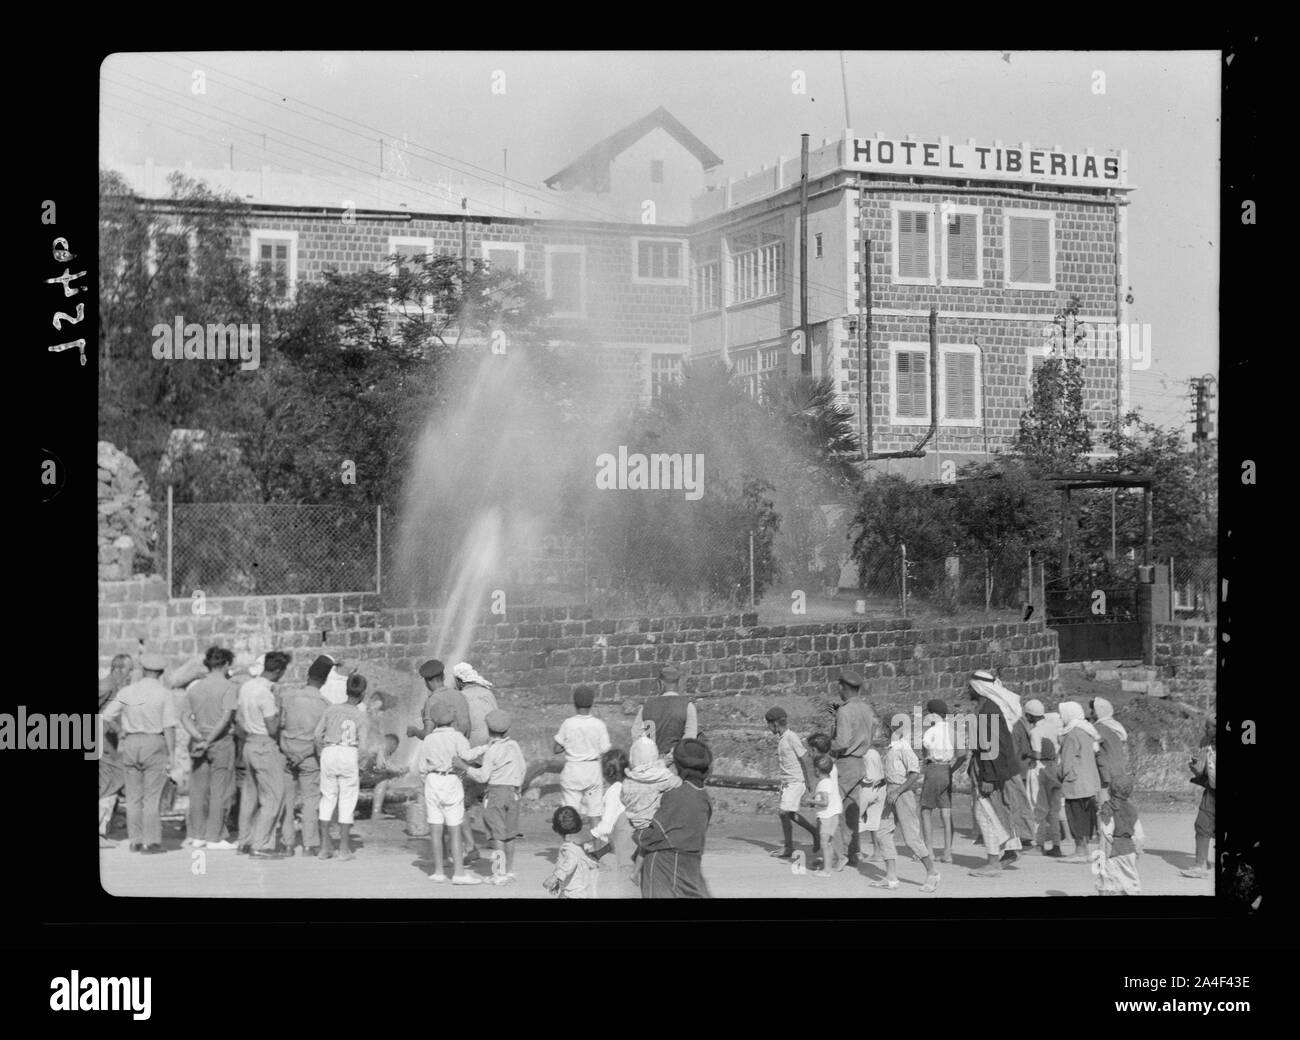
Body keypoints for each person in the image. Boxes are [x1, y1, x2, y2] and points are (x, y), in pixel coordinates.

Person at [101, 653, 176, 854]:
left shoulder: (128, 691)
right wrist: (172, 755)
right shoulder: (164, 694)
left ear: (142, 670)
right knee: (151, 796)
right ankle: (151, 842)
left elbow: (107, 715)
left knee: (133, 796)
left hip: (131, 742)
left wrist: (120, 731)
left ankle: (135, 840)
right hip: (154, 742)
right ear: (160, 673)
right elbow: (169, 727)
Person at [407, 659, 476, 860]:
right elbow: (467, 726)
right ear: (443, 677)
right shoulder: (460, 696)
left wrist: (414, 731)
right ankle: (467, 846)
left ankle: (449, 854)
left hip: (441, 760)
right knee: (457, 803)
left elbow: (428, 735)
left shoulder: (432, 702)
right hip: (461, 754)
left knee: (440, 808)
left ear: (427, 682)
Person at [965, 670, 1026, 876]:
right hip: (991, 768)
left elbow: (993, 747)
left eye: (969, 686)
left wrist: (989, 777)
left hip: (989, 770)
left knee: (986, 815)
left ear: (977, 688)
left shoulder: (987, 711)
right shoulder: (988, 708)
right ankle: (1010, 850)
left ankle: (993, 862)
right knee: (999, 811)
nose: (967, 690)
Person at [178, 647, 240, 851]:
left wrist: (198, 737)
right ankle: (215, 836)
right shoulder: (229, 687)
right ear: (226, 664)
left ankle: (197, 835)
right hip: (220, 741)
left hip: (198, 739)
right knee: (220, 791)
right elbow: (225, 717)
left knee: (198, 790)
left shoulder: (194, 688)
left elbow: (185, 717)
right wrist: (210, 739)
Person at [636, 738, 714, 898]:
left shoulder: (676, 794)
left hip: (665, 865)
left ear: (678, 766)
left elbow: (653, 834)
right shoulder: (704, 797)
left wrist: (637, 833)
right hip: (691, 864)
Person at [455, 708, 525, 886]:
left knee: (497, 836)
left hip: (495, 794)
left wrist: (464, 766)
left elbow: (483, 776)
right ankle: (508, 871)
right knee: (510, 835)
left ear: (488, 729)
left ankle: (498, 873)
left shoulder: (492, 751)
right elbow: (522, 768)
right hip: (513, 793)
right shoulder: (514, 745)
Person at [872, 716, 941, 892]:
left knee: (911, 837)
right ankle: (891, 877)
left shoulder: (903, 748)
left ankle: (932, 872)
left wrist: (897, 791)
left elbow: (914, 774)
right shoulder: (890, 749)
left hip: (903, 795)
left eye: (882, 727)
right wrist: (882, 784)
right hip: (890, 794)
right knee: (882, 831)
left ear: (889, 729)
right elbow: (893, 773)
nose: (880, 731)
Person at [415, 702, 480, 885]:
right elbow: (467, 756)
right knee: (454, 828)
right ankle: (459, 873)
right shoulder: (457, 737)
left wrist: (427, 782)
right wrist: (483, 750)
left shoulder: (428, 739)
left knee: (435, 829)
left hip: (432, 780)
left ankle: (438, 871)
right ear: (451, 718)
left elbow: (421, 767)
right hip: (451, 779)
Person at [237, 650, 291, 860]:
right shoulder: (266, 694)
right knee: (273, 796)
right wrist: (280, 712)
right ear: (278, 670)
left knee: (249, 795)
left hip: (249, 742)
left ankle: (245, 840)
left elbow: (240, 718)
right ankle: (260, 845)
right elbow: (272, 727)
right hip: (264, 744)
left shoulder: (247, 687)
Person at [276, 655, 332, 856]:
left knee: (287, 800)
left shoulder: (288, 696)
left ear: (307, 675)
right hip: (309, 757)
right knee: (311, 800)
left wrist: (288, 750)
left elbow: (279, 725)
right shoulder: (325, 704)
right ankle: (309, 844)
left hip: (287, 754)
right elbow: (322, 737)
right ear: (324, 681)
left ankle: (287, 843)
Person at [314, 672, 369, 861]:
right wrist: (360, 766)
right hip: (348, 752)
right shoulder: (360, 715)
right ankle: (344, 850)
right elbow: (363, 747)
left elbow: (316, 735)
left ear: (346, 690)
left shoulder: (331, 709)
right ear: (362, 694)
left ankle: (324, 848)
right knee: (347, 800)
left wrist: (322, 752)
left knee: (327, 797)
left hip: (329, 750)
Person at [830, 669, 875, 865]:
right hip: (860, 762)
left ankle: (835, 855)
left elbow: (842, 742)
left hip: (845, 763)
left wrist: (826, 745)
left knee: (830, 808)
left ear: (843, 687)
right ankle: (853, 852)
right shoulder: (866, 709)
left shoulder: (845, 711)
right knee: (852, 811)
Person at [765, 706, 819, 861]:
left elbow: (805, 759)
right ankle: (792, 844)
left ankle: (806, 836)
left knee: (783, 812)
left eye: (769, 724)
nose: (768, 728)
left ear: (775, 724)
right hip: (787, 782)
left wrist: (811, 784)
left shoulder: (791, 737)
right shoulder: (782, 739)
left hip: (796, 781)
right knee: (788, 813)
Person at [554, 684, 611, 829]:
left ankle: (570, 847)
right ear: (592, 703)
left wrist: (569, 744)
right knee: (595, 812)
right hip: (592, 769)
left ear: (574, 703)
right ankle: (597, 848)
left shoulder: (568, 724)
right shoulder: (599, 725)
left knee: (569, 813)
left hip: (573, 769)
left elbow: (556, 748)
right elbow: (605, 749)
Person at [588, 747, 639, 898]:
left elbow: (608, 825)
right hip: (635, 839)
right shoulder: (630, 785)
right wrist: (599, 852)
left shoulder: (613, 792)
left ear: (606, 773)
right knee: (634, 876)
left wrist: (591, 835)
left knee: (625, 878)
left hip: (624, 844)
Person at [1057, 700, 1102, 864]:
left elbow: (1067, 761)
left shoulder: (1072, 734)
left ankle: (1080, 851)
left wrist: (1059, 774)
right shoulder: (1087, 731)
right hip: (1089, 781)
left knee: (1075, 815)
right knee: (1085, 816)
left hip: (1075, 782)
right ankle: (1084, 849)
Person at [98, 654, 133, 848]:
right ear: (118, 669)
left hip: (107, 742)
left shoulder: (115, 687)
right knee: (111, 778)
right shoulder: (106, 686)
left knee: (111, 779)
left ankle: (105, 827)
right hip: (100, 741)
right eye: (129, 669)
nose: (131, 674)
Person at [1023, 700, 1066, 857]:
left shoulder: (1035, 732)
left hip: (1039, 769)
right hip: (1054, 768)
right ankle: (1056, 845)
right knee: (1054, 810)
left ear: (1030, 715)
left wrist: (1025, 754)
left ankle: (1038, 844)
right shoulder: (1053, 727)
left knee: (1037, 807)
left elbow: (1037, 753)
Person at [632, 664, 698, 758]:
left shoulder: (646, 706)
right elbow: (689, 739)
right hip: (677, 762)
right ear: (679, 683)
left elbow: (636, 735)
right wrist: (670, 757)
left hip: (651, 761)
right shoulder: (688, 706)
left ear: (660, 684)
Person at [919, 698, 956, 864]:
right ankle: (947, 852)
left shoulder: (931, 731)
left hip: (934, 768)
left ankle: (929, 851)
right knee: (946, 812)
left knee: (926, 810)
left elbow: (925, 746)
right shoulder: (951, 730)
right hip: (947, 769)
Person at [621, 736, 682, 830]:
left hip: (632, 824)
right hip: (653, 826)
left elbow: (645, 769)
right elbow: (678, 783)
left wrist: (665, 760)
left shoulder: (628, 781)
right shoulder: (663, 780)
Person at [1181, 718, 1216, 879]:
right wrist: (1196, 768)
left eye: (1209, 727)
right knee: (1202, 824)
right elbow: (1204, 769)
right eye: (1206, 727)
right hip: (1212, 791)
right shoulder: (1206, 742)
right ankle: (1200, 864)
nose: (1206, 730)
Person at [1095, 775, 1142, 894]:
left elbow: (1106, 832)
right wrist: (1137, 851)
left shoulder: (1108, 808)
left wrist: (1102, 855)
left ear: (1110, 790)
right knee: (1128, 881)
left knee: (1106, 881)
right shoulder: (1132, 809)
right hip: (1129, 850)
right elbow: (1139, 835)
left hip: (1112, 851)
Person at [543, 806, 600, 899]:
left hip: (574, 891)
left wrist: (555, 877)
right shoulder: (581, 844)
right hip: (581, 889)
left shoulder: (568, 846)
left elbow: (571, 862)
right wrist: (559, 883)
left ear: (556, 830)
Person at [805, 754, 844, 877]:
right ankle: (828, 866)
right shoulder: (831, 781)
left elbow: (825, 802)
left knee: (824, 843)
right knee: (829, 843)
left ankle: (827, 870)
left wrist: (810, 801)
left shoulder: (823, 784)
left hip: (826, 816)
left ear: (817, 770)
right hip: (833, 815)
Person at [360, 734, 406, 821]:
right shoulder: (382, 747)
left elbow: (384, 765)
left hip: (354, 775)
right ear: (393, 744)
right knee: (383, 780)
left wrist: (396, 771)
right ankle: (376, 812)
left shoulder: (376, 746)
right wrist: (397, 772)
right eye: (396, 746)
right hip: (358, 777)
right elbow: (380, 766)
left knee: (385, 776)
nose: (395, 750)